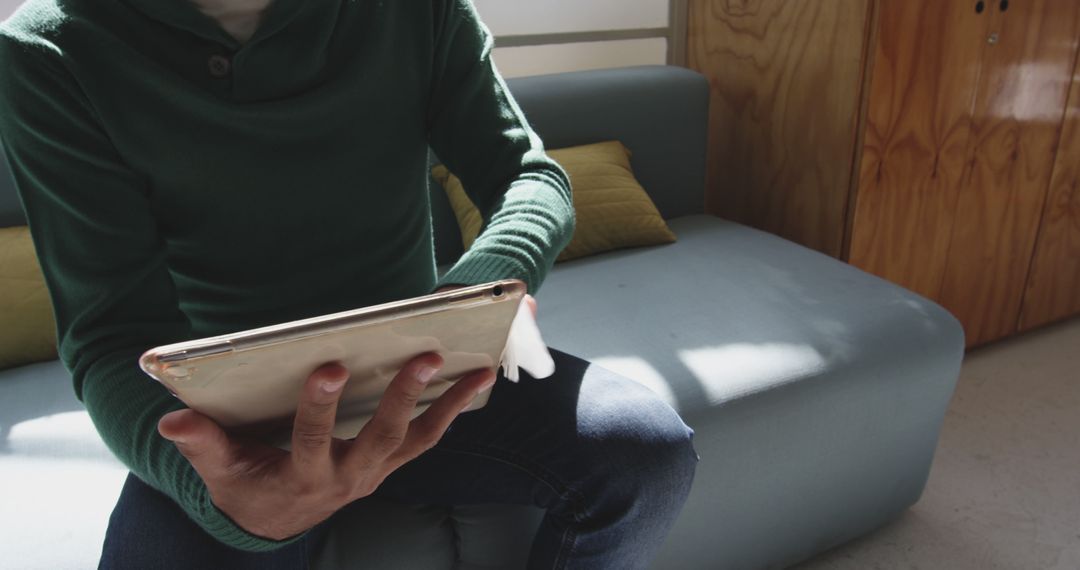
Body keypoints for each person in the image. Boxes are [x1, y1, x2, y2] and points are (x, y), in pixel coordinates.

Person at [0, 0, 698, 567]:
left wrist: (477, 293)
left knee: (647, 456)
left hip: (422, 370)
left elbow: (528, 177)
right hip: (241, 418)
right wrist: (214, 489)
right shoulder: (52, 50)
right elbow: (112, 333)